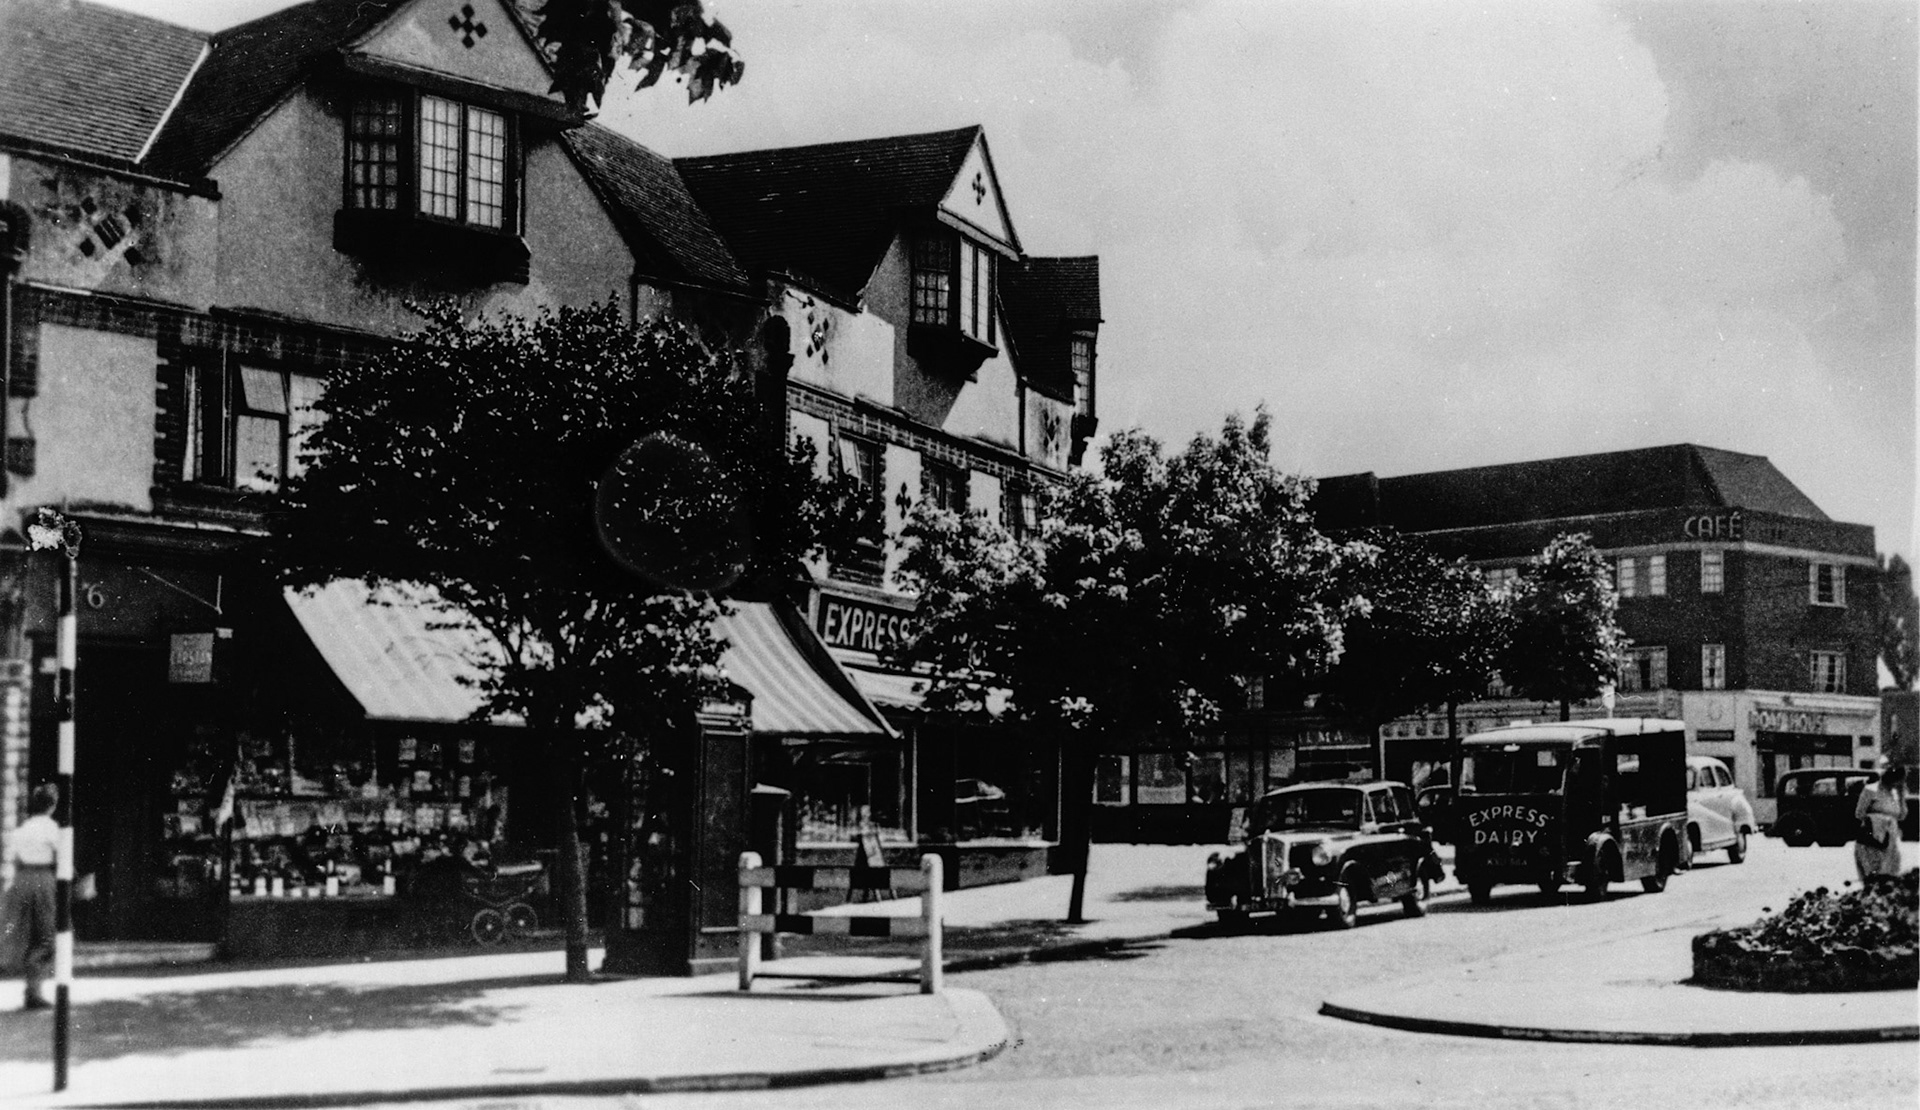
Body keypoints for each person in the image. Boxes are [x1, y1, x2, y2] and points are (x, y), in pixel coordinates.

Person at [2, 785, 60, 1011]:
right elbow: (62, 857)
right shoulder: (51, 828)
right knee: (45, 936)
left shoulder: (22, 829)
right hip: (42, 878)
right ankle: (33, 992)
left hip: (22, 878)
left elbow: (14, 857)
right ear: (52, 805)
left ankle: (32, 990)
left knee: (25, 933)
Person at [1853, 757, 1907, 881]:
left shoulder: (1895, 793)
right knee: (1873, 873)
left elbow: (1901, 815)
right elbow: (1859, 813)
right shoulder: (1871, 789)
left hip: (1890, 838)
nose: (1897, 785)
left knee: (1890, 874)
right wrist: (1877, 820)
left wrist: (1901, 796)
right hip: (1873, 836)